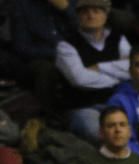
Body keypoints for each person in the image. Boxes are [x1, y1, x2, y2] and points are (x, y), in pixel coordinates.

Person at [54, 0, 131, 143]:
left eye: (96, 11)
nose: (91, 15)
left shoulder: (118, 39)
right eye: (85, 11)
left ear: (105, 15)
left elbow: (132, 68)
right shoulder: (66, 45)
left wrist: (100, 68)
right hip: (83, 107)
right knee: (101, 133)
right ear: (78, 16)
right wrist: (118, 77)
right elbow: (80, 79)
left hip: (117, 103)